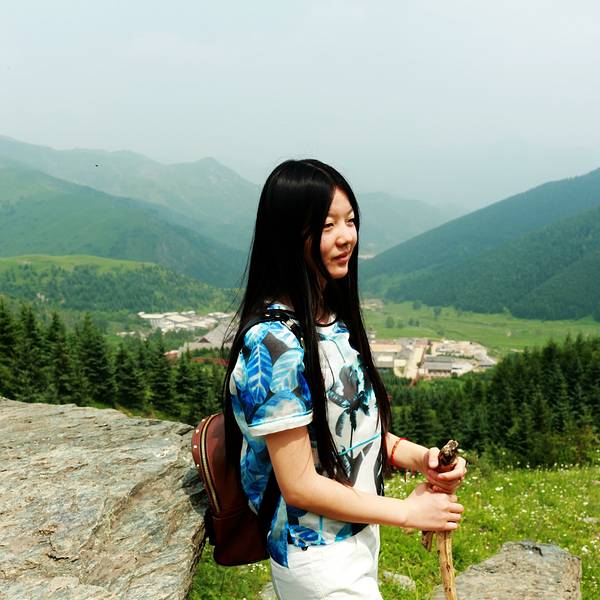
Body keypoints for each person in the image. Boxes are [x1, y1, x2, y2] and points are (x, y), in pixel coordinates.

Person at [223, 159, 466, 599]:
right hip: (314, 556)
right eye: (327, 225)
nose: (346, 236)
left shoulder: (331, 321)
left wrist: (421, 459)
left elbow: (351, 433)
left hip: (356, 538)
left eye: (350, 221)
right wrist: (408, 512)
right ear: (288, 235)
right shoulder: (273, 344)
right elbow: (299, 485)